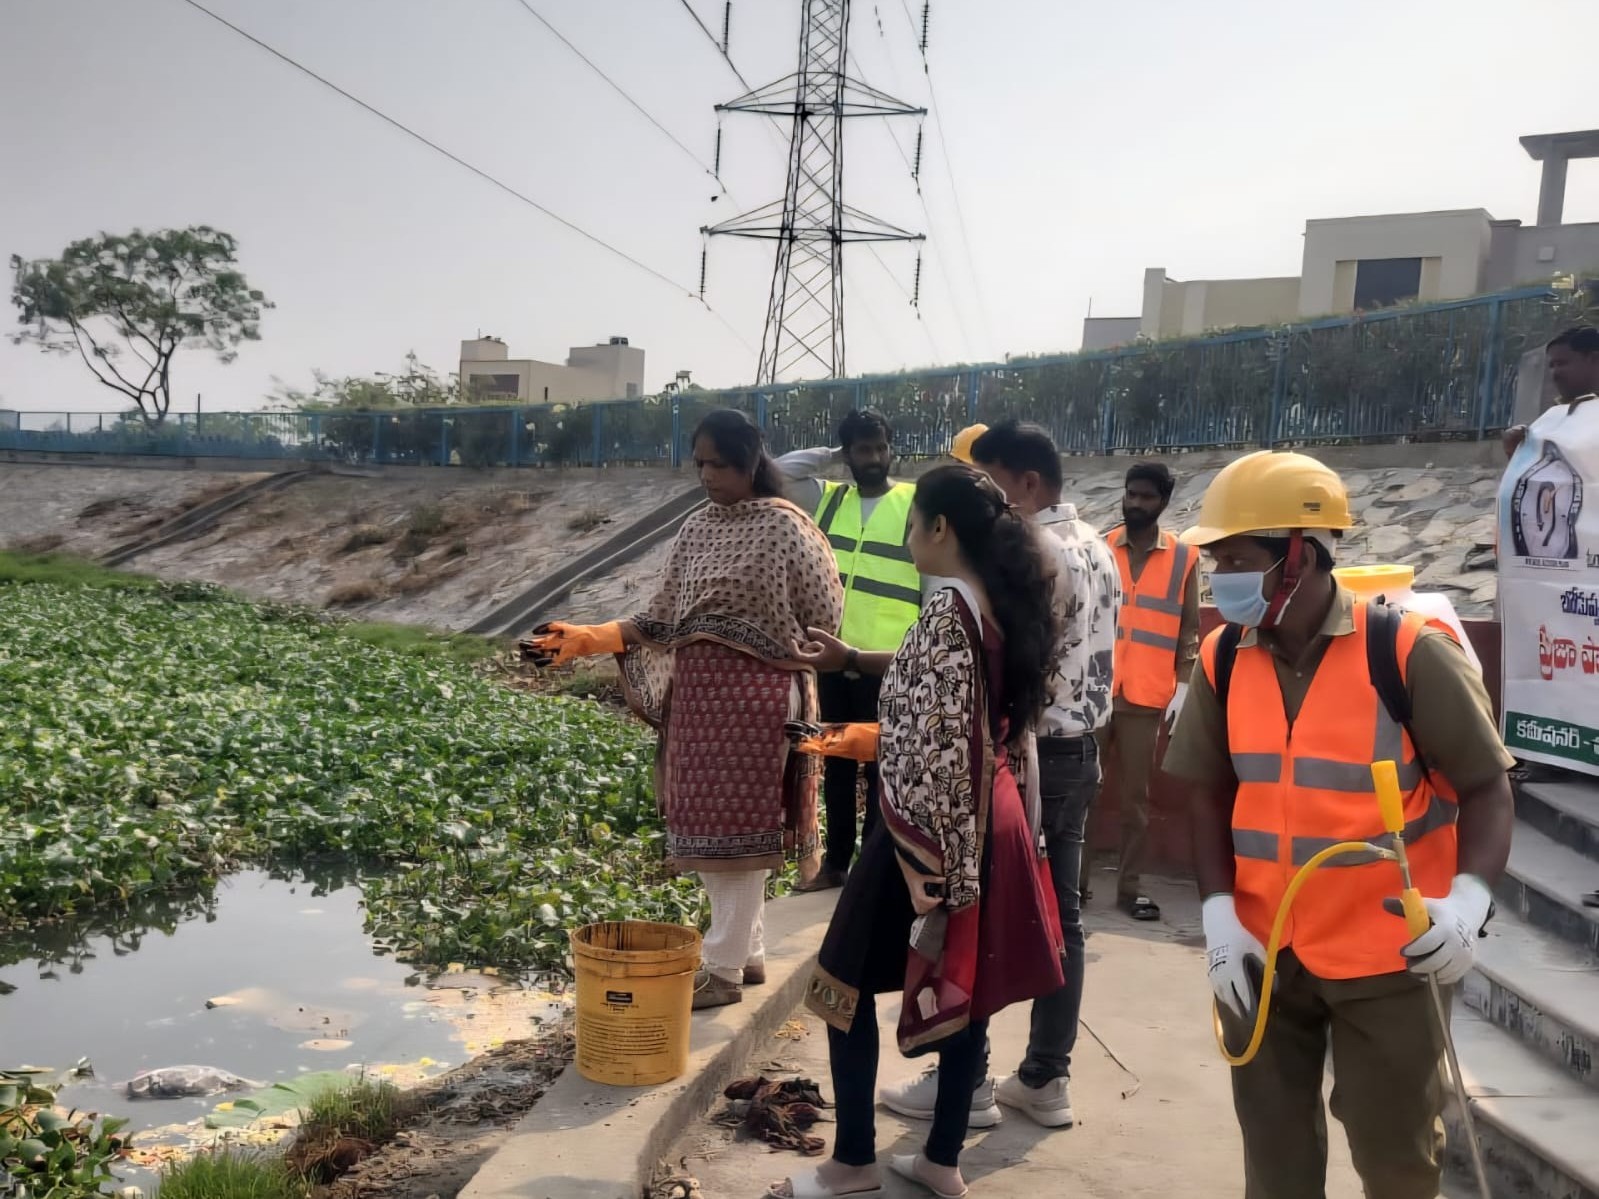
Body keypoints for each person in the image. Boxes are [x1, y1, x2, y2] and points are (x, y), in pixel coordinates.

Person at [1164, 449, 1515, 1199]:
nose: (1218, 573)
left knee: (1394, 1156)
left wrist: (1469, 903)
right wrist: (1219, 916)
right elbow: (1206, 794)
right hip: (1264, 952)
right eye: (1213, 556)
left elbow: (1487, 788)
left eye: (1237, 556)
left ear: (1299, 553)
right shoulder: (1224, 657)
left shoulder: (1405, 652)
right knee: (1275, 1157)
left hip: (1386, 957)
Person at [772, 464, 1067, 1199]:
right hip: (986, 815)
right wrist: (852, 682)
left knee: (839, 984)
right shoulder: (997, 609)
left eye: (912, 525)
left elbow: (927, 750)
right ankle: (940, 1160)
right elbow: (955, 721)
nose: (906, 538)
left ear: (939, 530)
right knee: (963, 984)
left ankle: (851, 1162)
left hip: (925, 829)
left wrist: (932, 869)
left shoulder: (944, 616)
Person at [523, 409, 843, 1010]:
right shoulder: (695, 528)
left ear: (750, 460)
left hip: (759, 698)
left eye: (716, 463)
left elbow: (825, 616)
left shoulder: (788, 529)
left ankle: (720, 970)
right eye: (698, 463)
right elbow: (660, 616)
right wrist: (591, 636)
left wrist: (771, 650)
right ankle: (745, 955)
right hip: (697, 699)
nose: (706, 475)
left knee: (741, 830)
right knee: (702, 825)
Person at [879, 419, 1120, 1132]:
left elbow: (998, 664)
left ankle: (968, 1080)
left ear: (1026, 482)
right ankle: (1046, 1075)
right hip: (1082, 745)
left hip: (1026, 755)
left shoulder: (1036, 554)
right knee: (1059, 917)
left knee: (982, 909)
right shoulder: (1099, 548)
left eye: (990, 481)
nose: (988, 502)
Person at [777, 410, 923, 891]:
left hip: (887, 662)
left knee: (884, 766)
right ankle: (836, 865)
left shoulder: (912, 502)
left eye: (881, 448)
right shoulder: (829, 500)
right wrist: (834, 454)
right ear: (848, 455)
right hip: (831, 659)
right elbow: (778, 472)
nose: (876, 458)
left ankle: (870, 871)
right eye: (863, 450)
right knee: (836, 762)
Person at [1502, 325, 1599, 909]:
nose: (1555, 375)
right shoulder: (1564, 421)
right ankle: (1562, 754)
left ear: (1594, 358)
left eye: (1564, 365)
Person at [1095, 461, 1200, 921]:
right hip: (1096, 691)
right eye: (1130, 494)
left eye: (1145, 497)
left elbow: (1190, 628)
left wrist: (1183, 684)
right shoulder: (1100, 550)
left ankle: (1130, 889)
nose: (1135, 503)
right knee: (1083, 790)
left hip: (1146, 694)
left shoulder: (1184, 558)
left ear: (1163, 502)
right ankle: (1071, 886)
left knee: (1135, 800)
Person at [1502, 324, 1599, 457]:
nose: (1555, 373)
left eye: (1562, 363)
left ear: (1594, 359)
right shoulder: (1556, 414)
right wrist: (1517, 453)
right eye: (1552, 366)